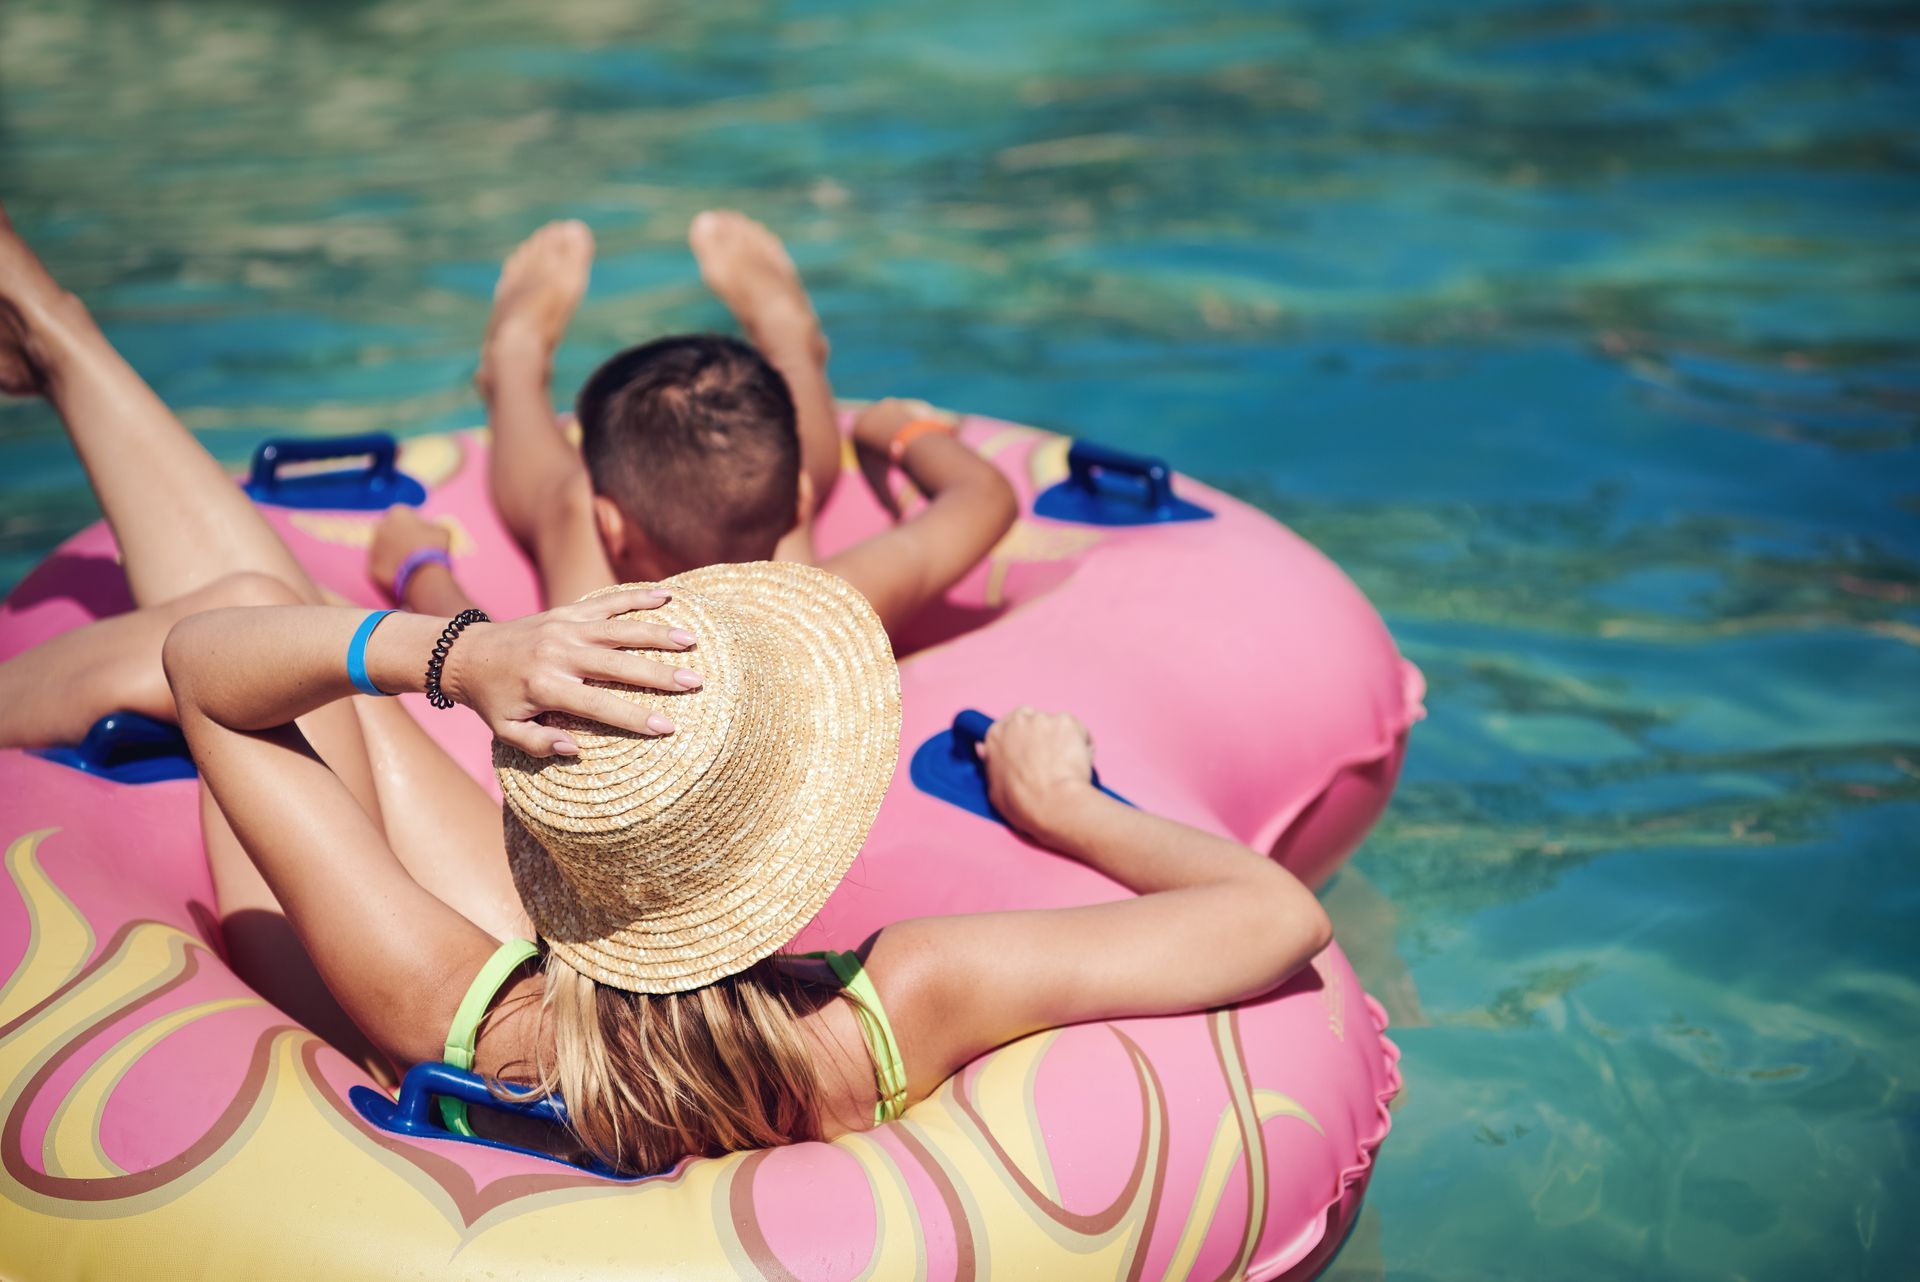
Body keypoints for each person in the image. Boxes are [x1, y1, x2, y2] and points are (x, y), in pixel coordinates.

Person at [0, 203, 1330, 1173]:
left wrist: (451, 651)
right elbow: (1274, 917)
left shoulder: (457, 994)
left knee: (247, 620)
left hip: (434, 998)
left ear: (560, 844)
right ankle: (57, 335)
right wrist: (1070, 808)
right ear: (795, 830)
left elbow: (207, 673)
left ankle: (61, 336)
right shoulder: (899, 1003)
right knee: (259, 626)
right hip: (619, 1019)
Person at [366, 214, 1019, 635]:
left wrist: (420, 566)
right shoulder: (828, 613)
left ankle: (513, 364)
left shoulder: (601, 642)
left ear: (614, 529)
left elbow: (483, 656)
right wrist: (899, 432)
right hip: (780, 555)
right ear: (801, 505)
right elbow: (987, 498)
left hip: (613, 561)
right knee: (767, 454)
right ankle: (791, 342)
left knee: (564, 500)